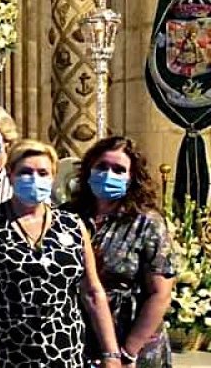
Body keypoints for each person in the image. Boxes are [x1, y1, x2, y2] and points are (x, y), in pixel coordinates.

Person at [0, 141, 124, 368]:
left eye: (42, 173)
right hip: (5, 352)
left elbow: (92, 291)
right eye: (25, 172)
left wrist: (111, 353)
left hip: (64, 352)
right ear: (10, 175)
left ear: (53, 176)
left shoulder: (72, 225)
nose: (34, 179)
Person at [64, 136, 175, 367]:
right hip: (80, 337)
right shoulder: (68, 216)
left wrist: (128, 352)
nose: (108, 174)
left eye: (118, 169)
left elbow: (160, 293)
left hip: (133, 340)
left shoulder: (147, 223)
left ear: (132, 178)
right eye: (102, 167)